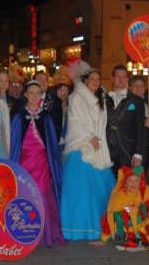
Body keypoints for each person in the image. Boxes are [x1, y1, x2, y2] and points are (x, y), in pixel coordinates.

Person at [60, 68, 116, 241]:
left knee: (98, 192)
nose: (95, 81)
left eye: (98, 79)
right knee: (82, 192)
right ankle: (79, 228)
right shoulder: (76, 97)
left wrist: (97, 139)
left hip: (98, 147)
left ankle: (100, 226)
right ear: (85, 80)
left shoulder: (101, 99)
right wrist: (89, 138)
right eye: (92, 78)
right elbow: (74, 122)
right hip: (82, 147)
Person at [10, 80, 65, 247]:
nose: (35, 96)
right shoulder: (19, 116)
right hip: (24, 160)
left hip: (41, 160)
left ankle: (44, 233)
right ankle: (24, 232)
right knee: (25, 192)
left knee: (41, 191)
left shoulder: (46, 117)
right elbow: (14, 142)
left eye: (38, 93)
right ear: (25, 95)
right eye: (31, 93)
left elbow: (51, 143)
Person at [100, 166, 149, 257]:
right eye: (130, 180)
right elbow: (110, 217)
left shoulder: (145, 192)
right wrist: (103, 239)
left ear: (140, 182)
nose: (133, 184)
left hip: (146, 228)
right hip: (129, 234)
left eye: (136, 181)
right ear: (125, 182)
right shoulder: (118, 197)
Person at [106, 65, 147, 173]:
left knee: (126, 180)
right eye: (117, 76)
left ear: (127, 79)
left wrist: (138, 153)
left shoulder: (138, 101)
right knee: (109, 180)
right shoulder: (105, 99)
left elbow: (141, 130)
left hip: (128, 150)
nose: (121, 79)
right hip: (107, 150)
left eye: (124, 76)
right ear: (112, 79)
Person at [32, 70, 63, 139]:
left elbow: (57, 127)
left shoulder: (55, 101)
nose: (43, 83)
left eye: (45, 80)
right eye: (40, 80)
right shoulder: (25, 101)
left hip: (48, 140)